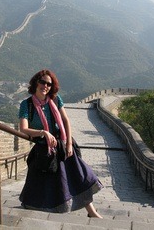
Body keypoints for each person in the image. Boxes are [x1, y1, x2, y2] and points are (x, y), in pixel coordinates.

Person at [18, 69, 103, 218]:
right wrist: (43, 132)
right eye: (43, 82)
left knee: (76, 175)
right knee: (40, 180)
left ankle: (91, 211)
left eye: (49, 84)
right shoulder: (27, 105)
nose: (46, 86)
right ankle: (33, 209)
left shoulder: (56, 100)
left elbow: (65, 120)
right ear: (36, 82)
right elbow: (23, 128)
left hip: (62, 145)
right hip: (43, 149)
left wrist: (69, 143)